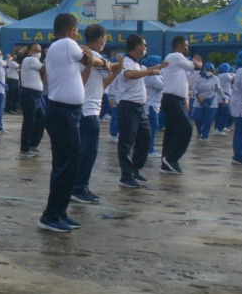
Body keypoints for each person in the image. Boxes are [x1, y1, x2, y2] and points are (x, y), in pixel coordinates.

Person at [40, 13, 106, 233]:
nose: (78, 35)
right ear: (70, 30)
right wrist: (103, 62)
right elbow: (92, 60)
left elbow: (84, 74)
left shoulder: (67, 55)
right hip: (61, 112)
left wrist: (91, 61)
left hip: (71, 112)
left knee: (70, 165)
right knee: (64, 165)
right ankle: (51, 215)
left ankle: (60, 212)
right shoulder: (66, 44)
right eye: (77, 31)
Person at [71, 24, 119, 205]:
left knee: (87, 152)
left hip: (90, 110)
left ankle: (81, 186)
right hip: (88, 111)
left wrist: (118, 69)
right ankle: (78, 188)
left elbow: (102, 85)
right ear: (100, 39)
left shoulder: (90, 58)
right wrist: (114, 66)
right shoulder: (93, 56)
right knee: (88, 153)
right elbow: (108, 66)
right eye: (105, 39)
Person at [114, 35, 162, 189]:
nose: (146, 48)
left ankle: (135, 168)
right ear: (137, 46)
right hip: (128, 105)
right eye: (144, 45)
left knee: (145, 138)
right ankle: (126, 175)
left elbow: (143, 70)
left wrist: (159, 67)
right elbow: (129, 74)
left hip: (140, 106)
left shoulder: (138, 63)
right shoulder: (126, 62)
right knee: (127, 140)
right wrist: (151, 72)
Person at [158, 36, 201, 174]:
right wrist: (196, 65)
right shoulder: (175, 56)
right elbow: (191, 65)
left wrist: (197, 69)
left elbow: (188, 80)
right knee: (186, 128)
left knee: (172, 131)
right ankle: (172, 158)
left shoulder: (179, 66)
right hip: (171, 99)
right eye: (186, 46)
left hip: (178, 99)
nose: (187, 49)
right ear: (180, 46)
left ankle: (166, 163)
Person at [18, 44, 45, 157]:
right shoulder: (30, 59)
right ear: (29, 51)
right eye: (36, 50)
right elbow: (44, 68)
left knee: (41, 120)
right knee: (29, 121)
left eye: (39, 50)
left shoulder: (35, 62)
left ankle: (32, 145)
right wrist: (48, 61)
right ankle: (24, 148)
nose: (38, 52)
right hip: (29, 94)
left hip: (37, 95)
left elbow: (44, 77)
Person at [191, 63, 220, 142]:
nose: (209, 71)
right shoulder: (198, 78)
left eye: (211, 70)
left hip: (211, 102)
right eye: (208, 70)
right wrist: (197, 95)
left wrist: (224, 98)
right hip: (199, 100)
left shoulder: (215, 79)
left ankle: (205, 136)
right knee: (197, 117)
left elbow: (219, 90)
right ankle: (199, 129)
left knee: (208, 120)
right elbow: (194, 88)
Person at [215, 62, 233, 134]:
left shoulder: (218, 75)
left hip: (217, 97)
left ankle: (217, 128)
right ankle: (220, 128)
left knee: (219, 114)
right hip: (224, 97)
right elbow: (233, 78)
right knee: (226, 113)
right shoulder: (226, 75)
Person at [5, 47, 21, 113]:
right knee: (12, 95)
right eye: (14, 57)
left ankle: (10, 108)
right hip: (12, 81)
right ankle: (10, 109)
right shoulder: (13, 63)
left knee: (13, 95)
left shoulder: (12, 63)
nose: (15, 57)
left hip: (13, 80)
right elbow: (19, 67)